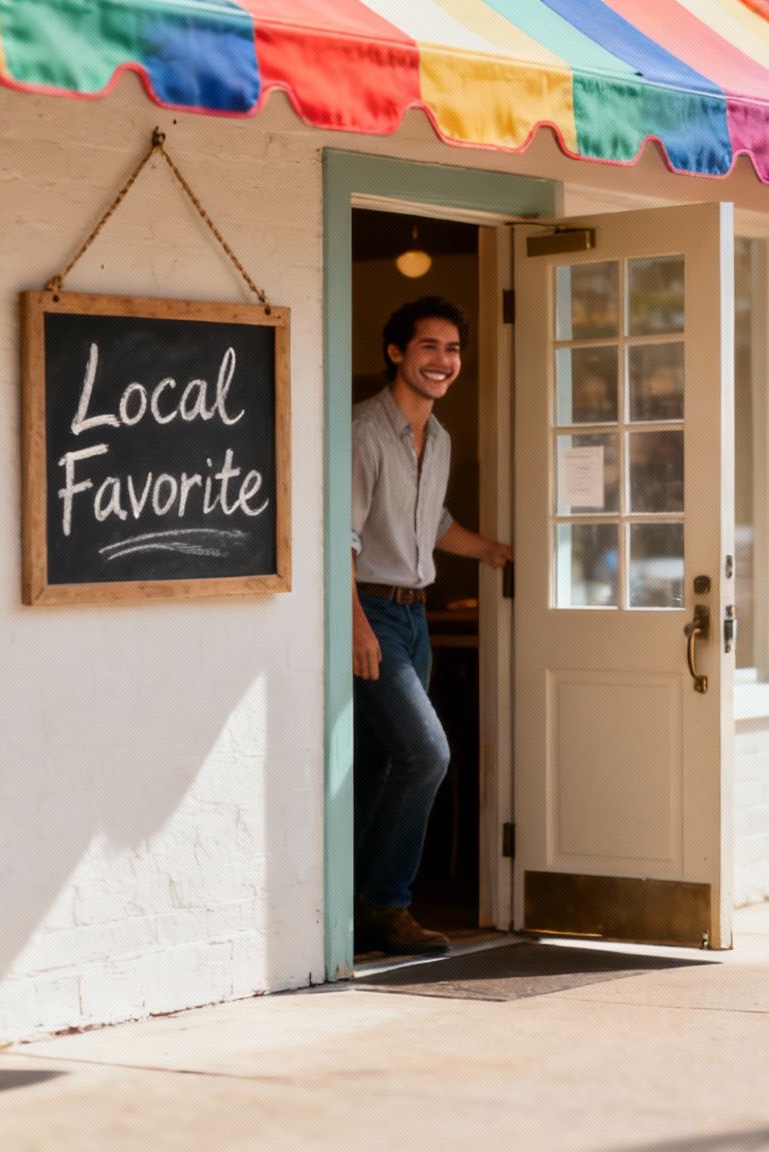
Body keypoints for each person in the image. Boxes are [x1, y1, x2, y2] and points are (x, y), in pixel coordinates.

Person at [350, 296, 511, 955]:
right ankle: (388, 905)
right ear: (396, 352)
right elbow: (342, 535)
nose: (443, 361)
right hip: (372, 612)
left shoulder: (438, 438)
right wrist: (355, 625)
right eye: (428, 348)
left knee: (378, 763)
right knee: (427, 753)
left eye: (452, 349)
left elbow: (432, 523)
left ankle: (350, 898)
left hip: (415, 619)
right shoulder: (363, 431)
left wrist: (494, 552)